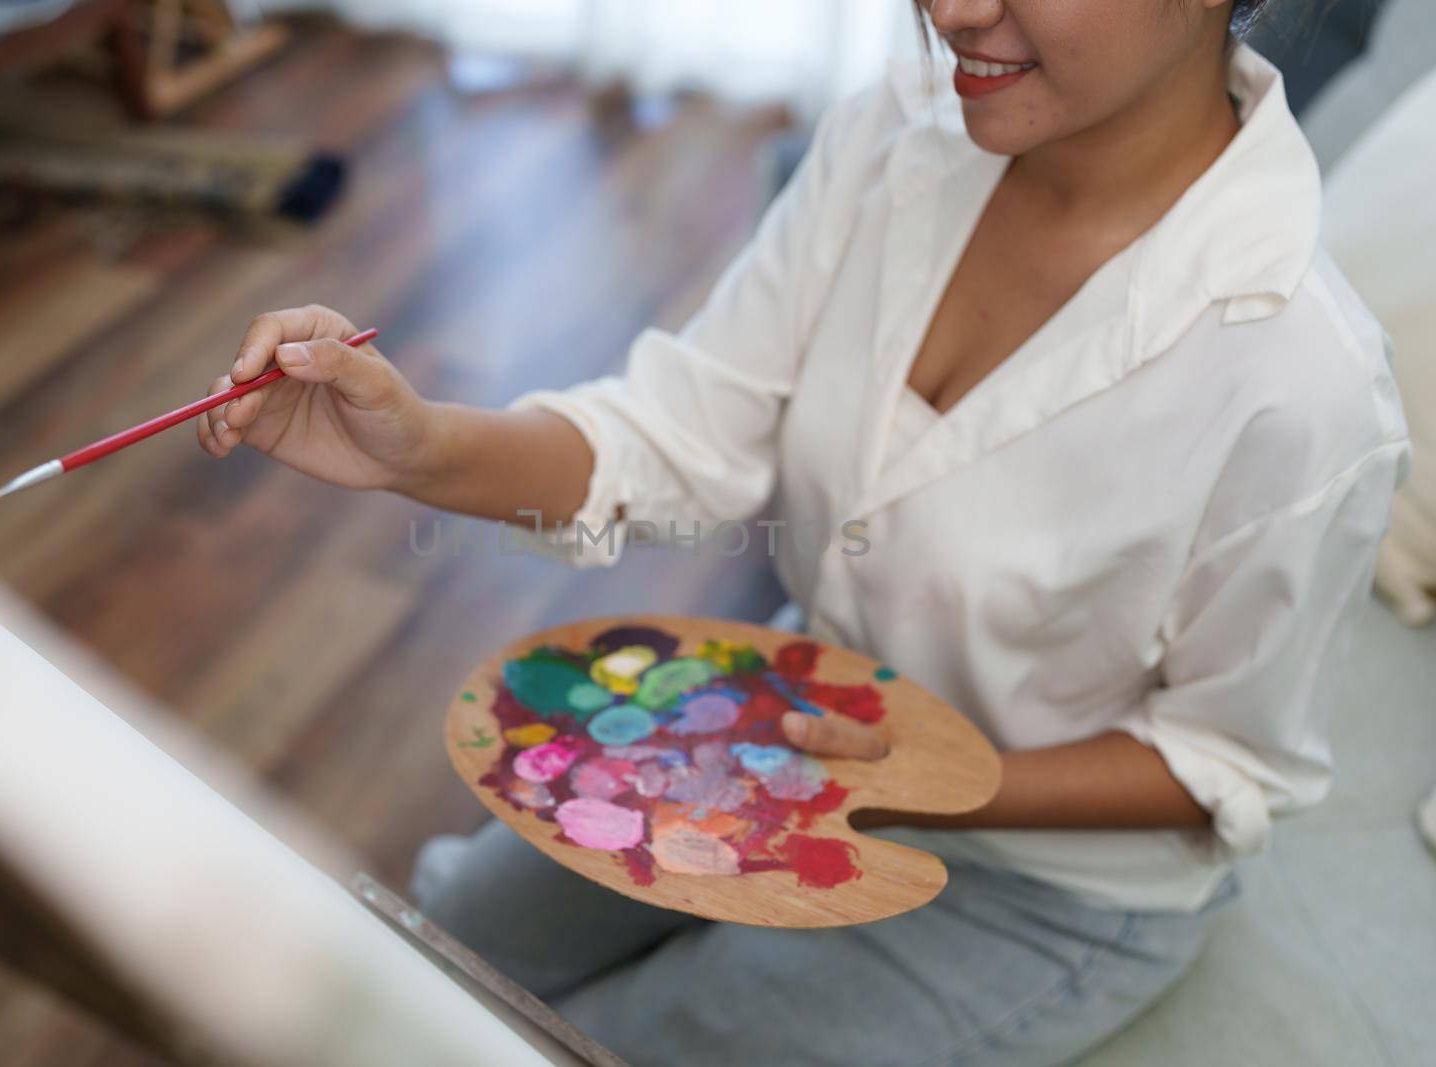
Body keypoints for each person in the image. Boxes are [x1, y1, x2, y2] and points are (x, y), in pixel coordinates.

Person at [198, 2, 1409, 1063]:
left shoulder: (1300, 381)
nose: (953, 10)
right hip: (800, 715)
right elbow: (683, 428)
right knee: (422, 951)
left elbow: (1227, 767)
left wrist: (942, 785)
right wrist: (420, 445)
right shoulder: (902, 129)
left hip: (1042, 887)